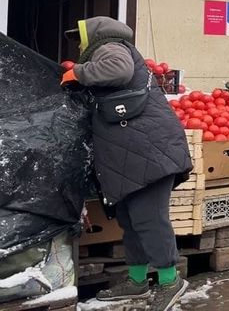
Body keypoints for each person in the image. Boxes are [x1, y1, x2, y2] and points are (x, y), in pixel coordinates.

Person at [60, 17, 192, 310]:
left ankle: (171, 282)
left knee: (149, 218)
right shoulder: (107, 50)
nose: (80, 45)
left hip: (150, 153)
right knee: (131, 220)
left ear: (93, 35)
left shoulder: (111, 47)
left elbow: (118, 70)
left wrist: (78, 73)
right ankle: (137, 281)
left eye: (80, 38)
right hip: (134, 155)